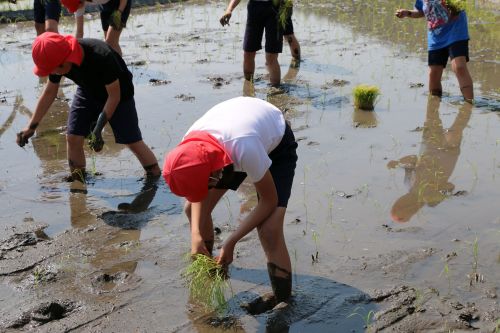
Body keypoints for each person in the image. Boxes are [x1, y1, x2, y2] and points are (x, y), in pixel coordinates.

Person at [163, 96, 298, 305]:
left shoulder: (245, 147)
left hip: (275, 139)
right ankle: (211, 266)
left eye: (207, 184)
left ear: (213, 172)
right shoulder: (188, 149)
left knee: (270, 230)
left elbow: (268, 201)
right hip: (229, 137)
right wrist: (196, 235)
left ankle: (284, 300)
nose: (207, 189)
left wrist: (231, 241)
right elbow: (197, 199)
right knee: (192, 210)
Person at [16, 32, 161, 182]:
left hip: (119, 95)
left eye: (53, 69)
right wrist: (31, 127)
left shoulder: (101, 56)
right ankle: (78, 180)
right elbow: (49, 93)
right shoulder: (57, 60)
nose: (53, 73)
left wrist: (98, 129)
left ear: (66, 59)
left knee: (131, 141)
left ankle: (154, 176)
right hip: (88, 90)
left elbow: (114, 96)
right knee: (73, 137)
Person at [388, 96, 472, 222]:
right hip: (448, 152)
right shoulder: (431, 202)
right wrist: (437, 191)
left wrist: (399, 163)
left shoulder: (407, 183)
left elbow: (412, 158)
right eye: (403, 206)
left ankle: (436, 88)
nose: (402, 201)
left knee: (431, 113)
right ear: (411, 209)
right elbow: (450, 186)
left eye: (399, 203)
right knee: (460, 121)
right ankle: (469, 98)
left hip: (430, 144)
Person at [395, 0, 473, 102]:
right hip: (436, 36)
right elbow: (420, 11)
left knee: (459, 67)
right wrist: (407, 13)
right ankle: (433, 109)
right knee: (434, 74)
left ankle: (469, 103)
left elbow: (461, 4)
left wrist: (455, 8)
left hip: (456, 31)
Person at [220, 0, 284, 86]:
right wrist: (229, 9)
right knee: (248, 53)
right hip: (254, 8)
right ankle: (248, 86)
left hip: (275, 9)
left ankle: (275, 90)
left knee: (271, 56)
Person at [61, 0, 131, 56]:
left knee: (111, 42)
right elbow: (79, 32)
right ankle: (117, 68)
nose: (77, 9)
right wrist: (74, 50)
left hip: (121, 4)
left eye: (77, 6)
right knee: (110, 44)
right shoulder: (78, 6)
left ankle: (120, 70)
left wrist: (119, 12)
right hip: (105, 6)